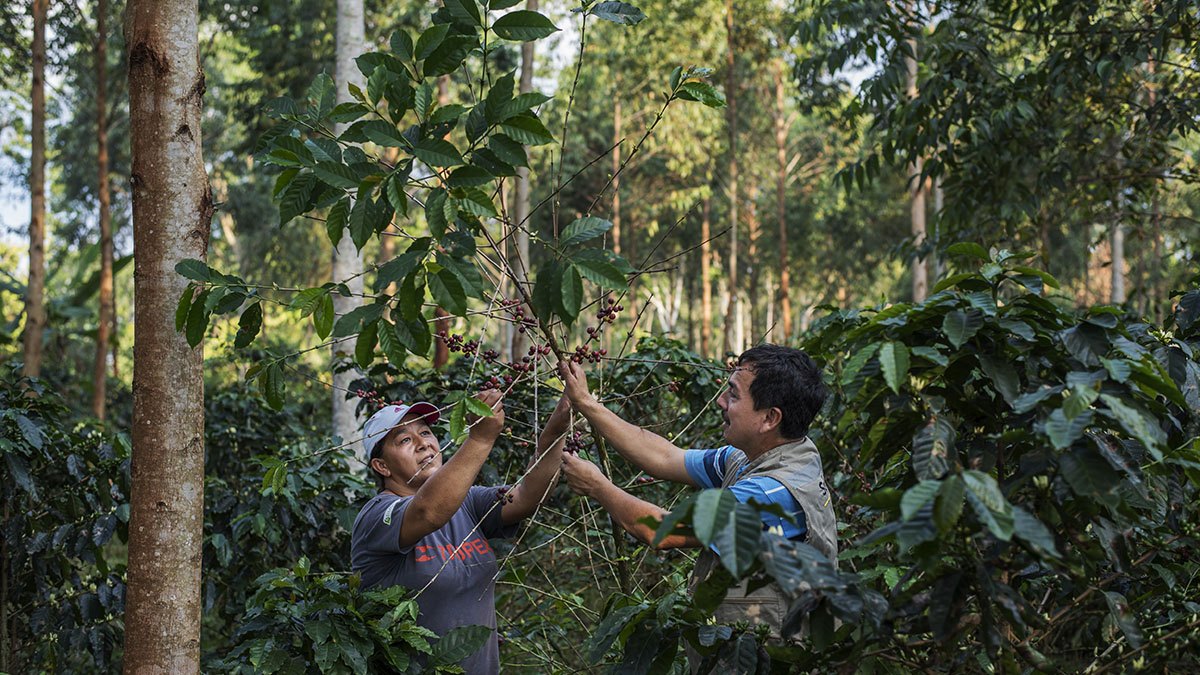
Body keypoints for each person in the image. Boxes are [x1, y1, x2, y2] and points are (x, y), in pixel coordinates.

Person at [557, 344, 836, 633]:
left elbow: (661, 530)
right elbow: (666, 457)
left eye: (734, 395)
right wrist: (587, 403)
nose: (721, 400)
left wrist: (597, 486)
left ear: (769, 418)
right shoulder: (761, 453)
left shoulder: (769, 496)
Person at [350, 389, 570, 674]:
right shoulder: (376, 515)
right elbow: (427, 512)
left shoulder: (466, 501)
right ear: (382, 466)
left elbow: (527, 497)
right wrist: (479, 438)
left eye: (426, 433)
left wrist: (559, 425)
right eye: (405, 439)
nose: (423, 444)